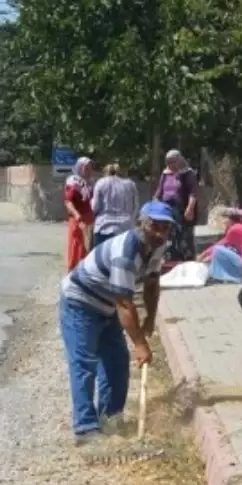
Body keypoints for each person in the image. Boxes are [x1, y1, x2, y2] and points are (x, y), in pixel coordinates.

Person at [59, 200, 174, 443]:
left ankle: (110, 419)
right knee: (84, 364)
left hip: (106, 305)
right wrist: (140, 344)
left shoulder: (157, 247)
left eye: (165, 228)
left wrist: (150, 319)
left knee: (117, 362)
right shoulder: (126, 251)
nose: (160, 233)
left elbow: (152, 284)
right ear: (141, 224)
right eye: (155, 226)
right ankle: (86, 428)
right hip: (80, 303)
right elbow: (124, 303)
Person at [154, 149, 199, 262]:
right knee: (169, 235)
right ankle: (171, 260)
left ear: (180, 160)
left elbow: (193, 192)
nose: (171, 165)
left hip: (182, 210)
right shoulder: (165, 174)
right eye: (169, 162)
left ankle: (186, 261)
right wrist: (154, 204)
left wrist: (190, 208)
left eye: (174, 162)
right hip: (166, 210)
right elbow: (160, 191)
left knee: (184, 236)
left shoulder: (188, 174)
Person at [198, 207, 242, 283]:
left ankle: (219, 276)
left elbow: (219, 245)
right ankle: (233, 276)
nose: (223, 222)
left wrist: (202, 255)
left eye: (224, 219)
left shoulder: (234, 229)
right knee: (224, 251)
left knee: (217, 249)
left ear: (230, 219)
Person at [91, 162, 139, 248]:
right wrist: (131, 220)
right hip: (125, 228)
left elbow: (95, 207)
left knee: (101, 259)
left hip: (103, 227)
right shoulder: (131, 184)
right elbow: (136, 207)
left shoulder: (101, 182)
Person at [63, 157, 96, 271]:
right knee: (77, 246)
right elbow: (68, 201)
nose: (89, 171)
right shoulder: (73, 182)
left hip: (90, 220)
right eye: (86, 168)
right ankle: (73, 273)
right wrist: (77, 216)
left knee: (88, 249)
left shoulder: (90, 183)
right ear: (79, 168)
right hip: (79, 220)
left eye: (90, 168)